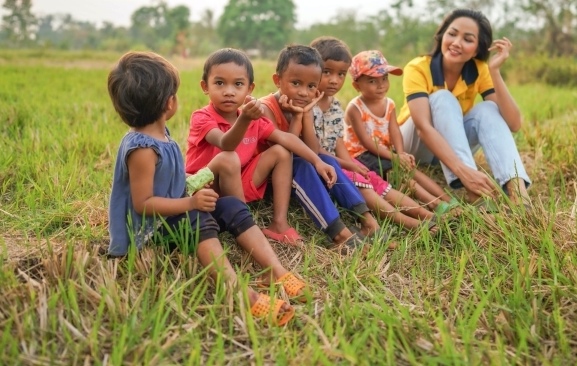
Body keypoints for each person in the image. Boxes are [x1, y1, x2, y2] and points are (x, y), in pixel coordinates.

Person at [106, 52, 305, 326]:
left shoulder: (159, 134)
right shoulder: (142, 148)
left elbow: (172, 185)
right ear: (168, 103)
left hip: (173, 213)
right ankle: (239, 294)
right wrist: (190, 204)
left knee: (231, 205)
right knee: (197, 217)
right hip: (150, 231)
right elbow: (144, 204)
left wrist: (197, 186)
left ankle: (276, 271)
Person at [186, 48, 325, 246]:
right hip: (206, 187)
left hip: (237, 182)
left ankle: (279, 223)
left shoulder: (252, 117)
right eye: (219, 83)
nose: (229, 91)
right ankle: (246, 226)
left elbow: (285, 138)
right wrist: (244, 119)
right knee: (229, 158)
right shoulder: (202, 117)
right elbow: (226, 144)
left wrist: (317, 161)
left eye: (238, 84)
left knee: (281, 151)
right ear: (205, 86)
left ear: (249, 89)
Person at [397, 9, 532, 207]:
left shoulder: (480, 70)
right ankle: (474, 192)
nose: (456, 43)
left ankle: (518, 195)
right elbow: (422, 128)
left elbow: (514, 123)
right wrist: (464, 171)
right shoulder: (418, 67)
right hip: (414, 146)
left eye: (467, 39)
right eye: (452, 34)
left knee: (488, 109)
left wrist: (494, 71)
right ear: (442, 35)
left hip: (450, 145)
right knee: (443, 97)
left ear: (477, 49)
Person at [259, 45, 387, 250]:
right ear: (277, 80)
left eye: (311, 87)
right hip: (270, 180)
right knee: (302, 164)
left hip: (290, 173)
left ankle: (368, 221)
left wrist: (305, 114)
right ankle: (338, 233)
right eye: (295, 83)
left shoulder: (303, 104)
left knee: (326, 160)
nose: (303, 92)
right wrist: (297, 118)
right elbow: (285, 153)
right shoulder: (266, 108)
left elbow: (313, 149)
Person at [306, 37, 439, 231]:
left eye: (341, 74)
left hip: (339, 160)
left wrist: (353, 166)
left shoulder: (335, 106)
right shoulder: (308, 106)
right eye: (327, 72)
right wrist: (349, 166)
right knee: (361, 185)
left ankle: (427, 213)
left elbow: (338, 143)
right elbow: (313, 149)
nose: (335, 80)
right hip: (319, 164)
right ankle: (408, 222)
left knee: (372, 180)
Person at [342, 49, 456, 213]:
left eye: (384, 78)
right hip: (363, 155)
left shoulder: (389, 103)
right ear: (356, 85)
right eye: (372, 81)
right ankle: (434, 204)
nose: (381, 85)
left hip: (385, 152)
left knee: (412, 170)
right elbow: (366, 142)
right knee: (399, 174)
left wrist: (401, 153)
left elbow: (395, 131)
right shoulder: (355, 108)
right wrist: (395, 158)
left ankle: (449, 200)